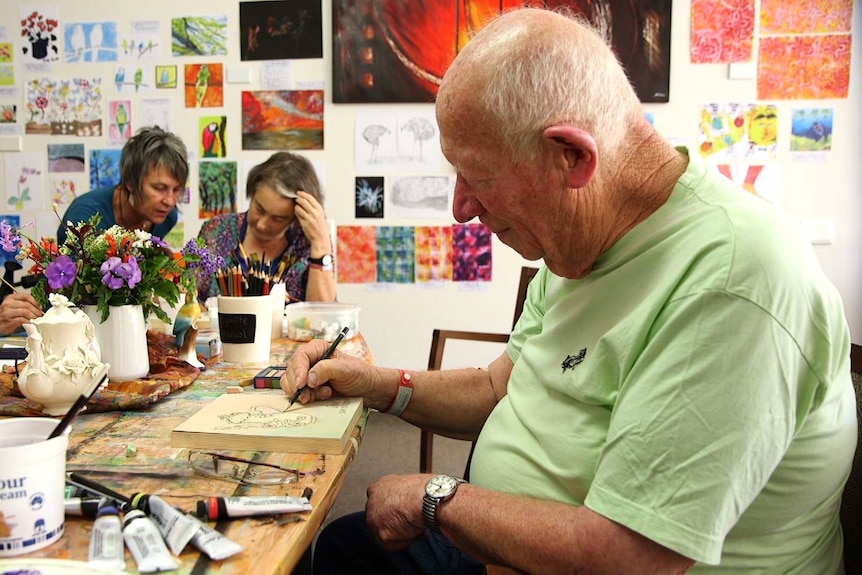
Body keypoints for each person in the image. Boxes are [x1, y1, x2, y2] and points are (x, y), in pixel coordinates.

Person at [283, 8, 856, 574]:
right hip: (508, 544)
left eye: (477, 178)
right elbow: (496, 388)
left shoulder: (734, 278)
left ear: (573, 157)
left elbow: (628, 557)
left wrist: (436, 499)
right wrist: (378, 386)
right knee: (345, 548)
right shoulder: (579, 237)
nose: (460, 210)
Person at [195, 151, 336, 303]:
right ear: (252, 193)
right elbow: (192, 301)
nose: (262, 225)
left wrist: (321, 245)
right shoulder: (216, 231)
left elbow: (323, 313)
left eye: (278, 219)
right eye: (259, 209)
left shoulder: (308, 242)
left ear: (297, 216)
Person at [57, 126, 188, 243]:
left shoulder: (167, 218)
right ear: (131, 181)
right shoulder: (85, 215)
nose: (170, 201)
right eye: (159, 188)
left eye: (177, 189)